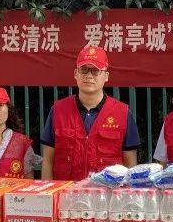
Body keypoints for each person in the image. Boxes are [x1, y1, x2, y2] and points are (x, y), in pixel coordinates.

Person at [40, 45, 141, 180]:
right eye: (84, 70)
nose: (88, 75)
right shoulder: (58, 110)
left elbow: (130, 165)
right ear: (75, 74)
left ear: (106, 76)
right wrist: (47, 190)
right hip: (66, 191)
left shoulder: (122, 113)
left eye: (95, 70)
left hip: (107, 192)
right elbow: (48, 161)